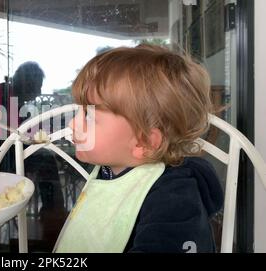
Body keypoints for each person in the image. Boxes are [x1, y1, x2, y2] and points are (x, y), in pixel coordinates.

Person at [54, 44, 224, 253]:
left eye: (89, 116)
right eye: (79, 111)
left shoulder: (174, 199)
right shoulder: (109, 170)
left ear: (144, 142)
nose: (72, 124)